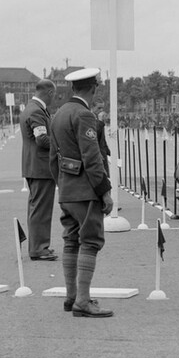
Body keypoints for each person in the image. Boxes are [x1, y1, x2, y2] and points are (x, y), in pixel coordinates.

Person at [50, 68, 114, 318]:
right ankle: (83, 300)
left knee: (71, 240)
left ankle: (72, 296)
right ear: (93, 88)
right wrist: (104, 191)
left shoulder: (58, 114)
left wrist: (62, 184)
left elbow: (53, 159)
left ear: (74, 88)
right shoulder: (84, 115)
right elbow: (92, 158)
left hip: (67, 189)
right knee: (90, 241)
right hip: (85, 191)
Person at [21, 79, 58, 262]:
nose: (54, 98)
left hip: (34, 166)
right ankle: (39, 248)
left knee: (36, 207)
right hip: (41, 167)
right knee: (41, 209)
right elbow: (42, 139)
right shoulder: (36, 111)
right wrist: (62, 144)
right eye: (54, 95)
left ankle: (37, 246)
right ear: (49, 92)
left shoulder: (31, 108)